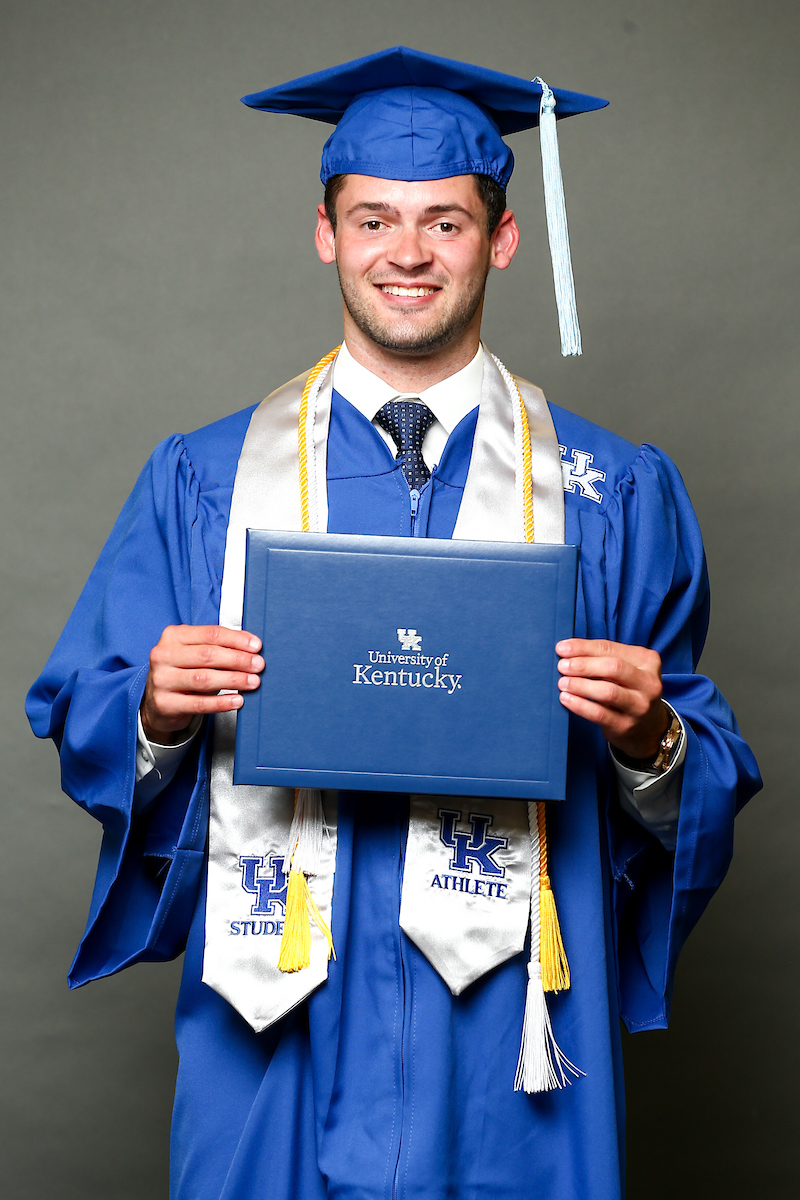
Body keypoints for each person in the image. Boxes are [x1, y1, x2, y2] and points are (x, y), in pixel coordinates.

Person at [27, 47, 761, 1200]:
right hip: (276, 1024)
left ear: (499, 239)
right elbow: (84, 705)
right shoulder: (206, 478)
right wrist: (156, 711)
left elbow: (703, 756)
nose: (406, 252)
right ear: (326, 233)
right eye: (373, 220)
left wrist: (649, 743)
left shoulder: (610, 494)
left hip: (514, 1046)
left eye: (444, 223)